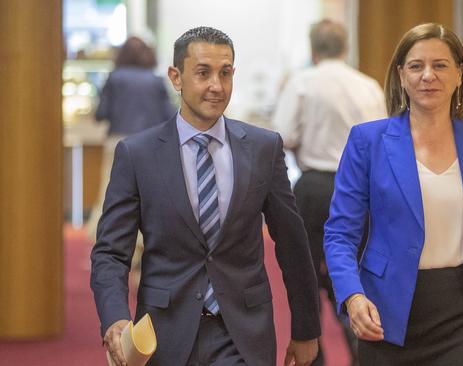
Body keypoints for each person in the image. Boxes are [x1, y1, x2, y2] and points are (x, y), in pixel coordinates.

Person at [91, 26, 320, 366]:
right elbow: (111, 252)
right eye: (203, 73)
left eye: (225, 73)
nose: (216, 85)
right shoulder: (137, 155)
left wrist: (306, 329)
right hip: (163, 334)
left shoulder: (262, 148)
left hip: (242, 333)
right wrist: (114, 317)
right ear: (176, 77)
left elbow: (292, 243)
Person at [323, 23, 463, 366]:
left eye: (440, 65)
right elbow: (340, 234)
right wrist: (353, 296)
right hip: (387, 316)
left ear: (459, 74)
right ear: (401, 75)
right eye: (416, 66)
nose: (428, 75)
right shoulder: (367, 142)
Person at [272, 19, 385, 365]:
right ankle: (363, 351)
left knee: (304, 275)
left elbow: (282, 136)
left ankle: (313, 356)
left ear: (312, 50)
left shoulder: (303, 83)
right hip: (361, 191)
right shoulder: (369, 86)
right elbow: (383, 142)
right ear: (345, 47)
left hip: (314, 187)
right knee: (356, 275)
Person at [87, 36, 175, 244]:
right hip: (151, 143)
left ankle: (104, 241)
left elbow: (102, 112)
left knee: (110, 192)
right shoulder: (156, 80)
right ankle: (144, 243)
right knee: (149, 194)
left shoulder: (114, 78)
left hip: (118, 141)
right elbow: (169, 114)